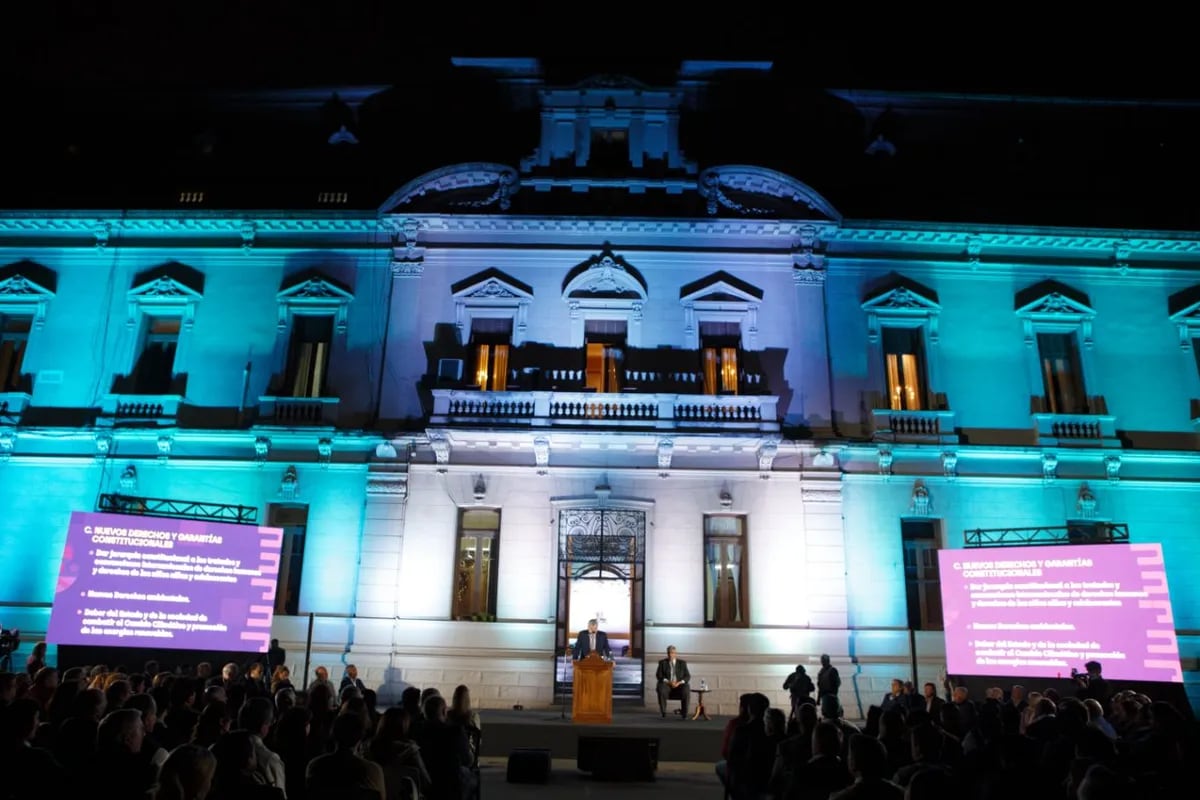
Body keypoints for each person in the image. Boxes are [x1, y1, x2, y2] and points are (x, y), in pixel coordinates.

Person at [655, 645, 690, 718]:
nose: (670, 655)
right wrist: (669, 682)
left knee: (686, 688)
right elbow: (659, 675)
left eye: (672, 653)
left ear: (675, 653)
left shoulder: (682, 663)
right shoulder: (662, 663)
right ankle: (663, 712)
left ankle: (684, 713)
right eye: (669, 653)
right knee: (661, 687)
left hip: (679, 685)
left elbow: (687, 676)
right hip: (667, 685)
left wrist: (679, 682)